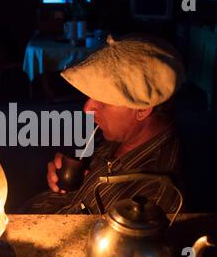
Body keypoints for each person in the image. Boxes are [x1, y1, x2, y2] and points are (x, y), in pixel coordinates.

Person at [20, 34, 185, 214]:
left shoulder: (155, 196)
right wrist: (71, 172)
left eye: (103, 99)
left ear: (142, 109)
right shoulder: (124, 133)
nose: (87, 108)